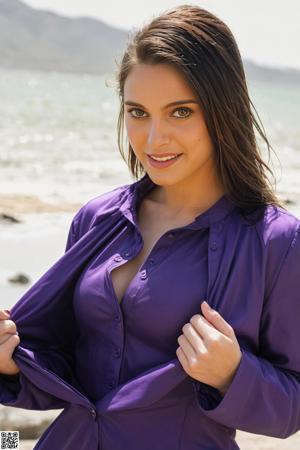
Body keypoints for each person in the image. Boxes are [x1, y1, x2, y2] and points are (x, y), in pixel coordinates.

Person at [0, 4, 300, 450]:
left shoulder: (277, 242)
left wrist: (233, 374)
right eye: (137, 112)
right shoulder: (96, 219)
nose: (154, 138)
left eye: (180, 112)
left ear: (223, 111)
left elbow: (292, 407)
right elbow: (68, 374)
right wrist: (11, 360)